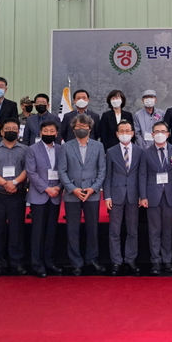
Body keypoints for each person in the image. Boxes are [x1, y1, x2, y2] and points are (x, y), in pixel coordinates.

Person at [58, 113, 106, 276]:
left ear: (90, 129)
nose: (81, 129)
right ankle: (76, 262)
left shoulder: (98, 146)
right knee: (73, 229)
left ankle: (92, 259)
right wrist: (73, 189)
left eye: (84, 127)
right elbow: (62, 171)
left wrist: (93, 188)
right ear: (73, 129)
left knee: (92, 229)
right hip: (73, 194)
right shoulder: (65, 147)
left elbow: (102, 170)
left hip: (92, 194)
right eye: (78, 127)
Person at [0, 117, 29, 277]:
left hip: (17, 195)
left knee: (17, 230)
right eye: (7, 129)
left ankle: (17, 263)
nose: (11, 131)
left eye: (14, 129)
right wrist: (6, 184)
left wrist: (14, 182)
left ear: (18, 132)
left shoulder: (25, 149)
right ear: (1, 131)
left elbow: (28, 170)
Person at [139, 121, 172, 275]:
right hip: (152, 196)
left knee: (168, 230)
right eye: (157, 131)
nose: (160, 133)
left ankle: (167, 260)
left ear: (168, 134)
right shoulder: (146, 152)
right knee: (154, 230)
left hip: (170, 196)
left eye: (163, 131)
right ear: (152, 134)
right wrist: (143, 196)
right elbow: (142, 175)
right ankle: (155, 261)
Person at [25, 120, 64, 277]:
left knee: (50, 231)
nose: (49, 133)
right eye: (45, 131)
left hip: (55, 195)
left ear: (56, 133)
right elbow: (31, 173)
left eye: (52, 131)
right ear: (40, 133)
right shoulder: (32, 150)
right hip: (39, 196)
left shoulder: (62, 149)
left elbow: (65, 170)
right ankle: (37, 264)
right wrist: (46, 189)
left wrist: (59, 187)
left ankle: (49, 262)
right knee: (38, 232)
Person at [104, 120, 141, 275]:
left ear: (132, 133)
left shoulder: (140, 151)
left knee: (132, 231)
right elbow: (107, 176)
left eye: (128, 131)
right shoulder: (111, 152)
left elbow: (142, 175)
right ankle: (116, 261)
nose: (125, 133)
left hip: (134, 196)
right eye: (122, 131)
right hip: (116, 196)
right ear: (117, 134)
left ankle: (130, 260)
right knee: (114, 231)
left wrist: (142, 195)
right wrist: (107, 197)